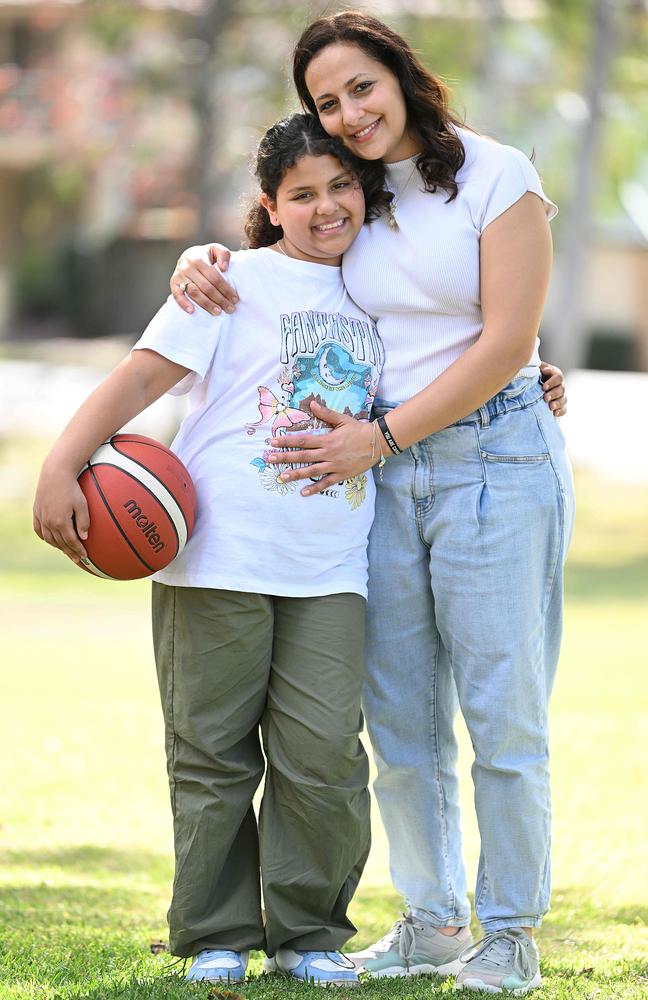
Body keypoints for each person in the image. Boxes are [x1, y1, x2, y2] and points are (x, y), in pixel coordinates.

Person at [168, 10, 575, 994]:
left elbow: (502, 343)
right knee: (396, 723)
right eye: (325, 101)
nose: (348, 113)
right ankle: (433, 921)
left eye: (360, 86)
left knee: (500, 719)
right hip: (380, 472)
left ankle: (509, 932)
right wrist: (202, 260)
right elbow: (296, 264)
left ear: (399, 73)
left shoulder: (494, 174)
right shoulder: (357, 195)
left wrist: (401, 428)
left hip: (488, 461)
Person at [32, 112, 397, 987]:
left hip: (331, 563)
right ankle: (217, 932)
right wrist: (59, 463)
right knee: (210, 751)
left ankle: (311, 934)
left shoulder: (390, 290)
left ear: (366, 190)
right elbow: (142, 376)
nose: (325, 207)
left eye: (340, 185)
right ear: (270, 206)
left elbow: (463, 361)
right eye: (302, 194)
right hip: (219, 555)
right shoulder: (231, 283)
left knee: (325, 759)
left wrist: (535, 377)